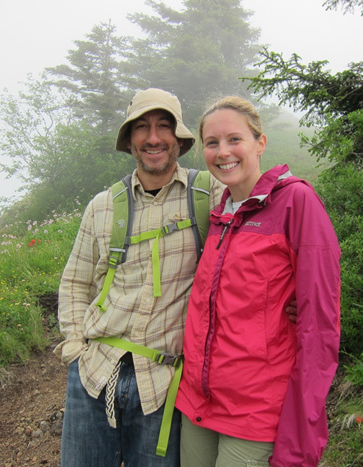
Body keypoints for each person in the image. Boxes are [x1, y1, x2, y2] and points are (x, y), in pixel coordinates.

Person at [55, 88, 225, 467]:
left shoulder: (209, 195)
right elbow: (74, 283)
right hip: (94, 373)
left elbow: (252, 254)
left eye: (164, 126)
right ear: (130, 139)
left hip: (165, 384)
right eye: (142, 128)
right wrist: (73, 350)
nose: (153, 138)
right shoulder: (102, 207)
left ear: (178, 139)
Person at [175, 97, 342, 466]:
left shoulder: (296, 202)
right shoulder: (220, 213)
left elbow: (320, 328)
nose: (223, 152)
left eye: (235, 139)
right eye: (213, 143)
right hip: (198, 402)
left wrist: (301, 432)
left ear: (260, 143)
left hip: (255, 411)